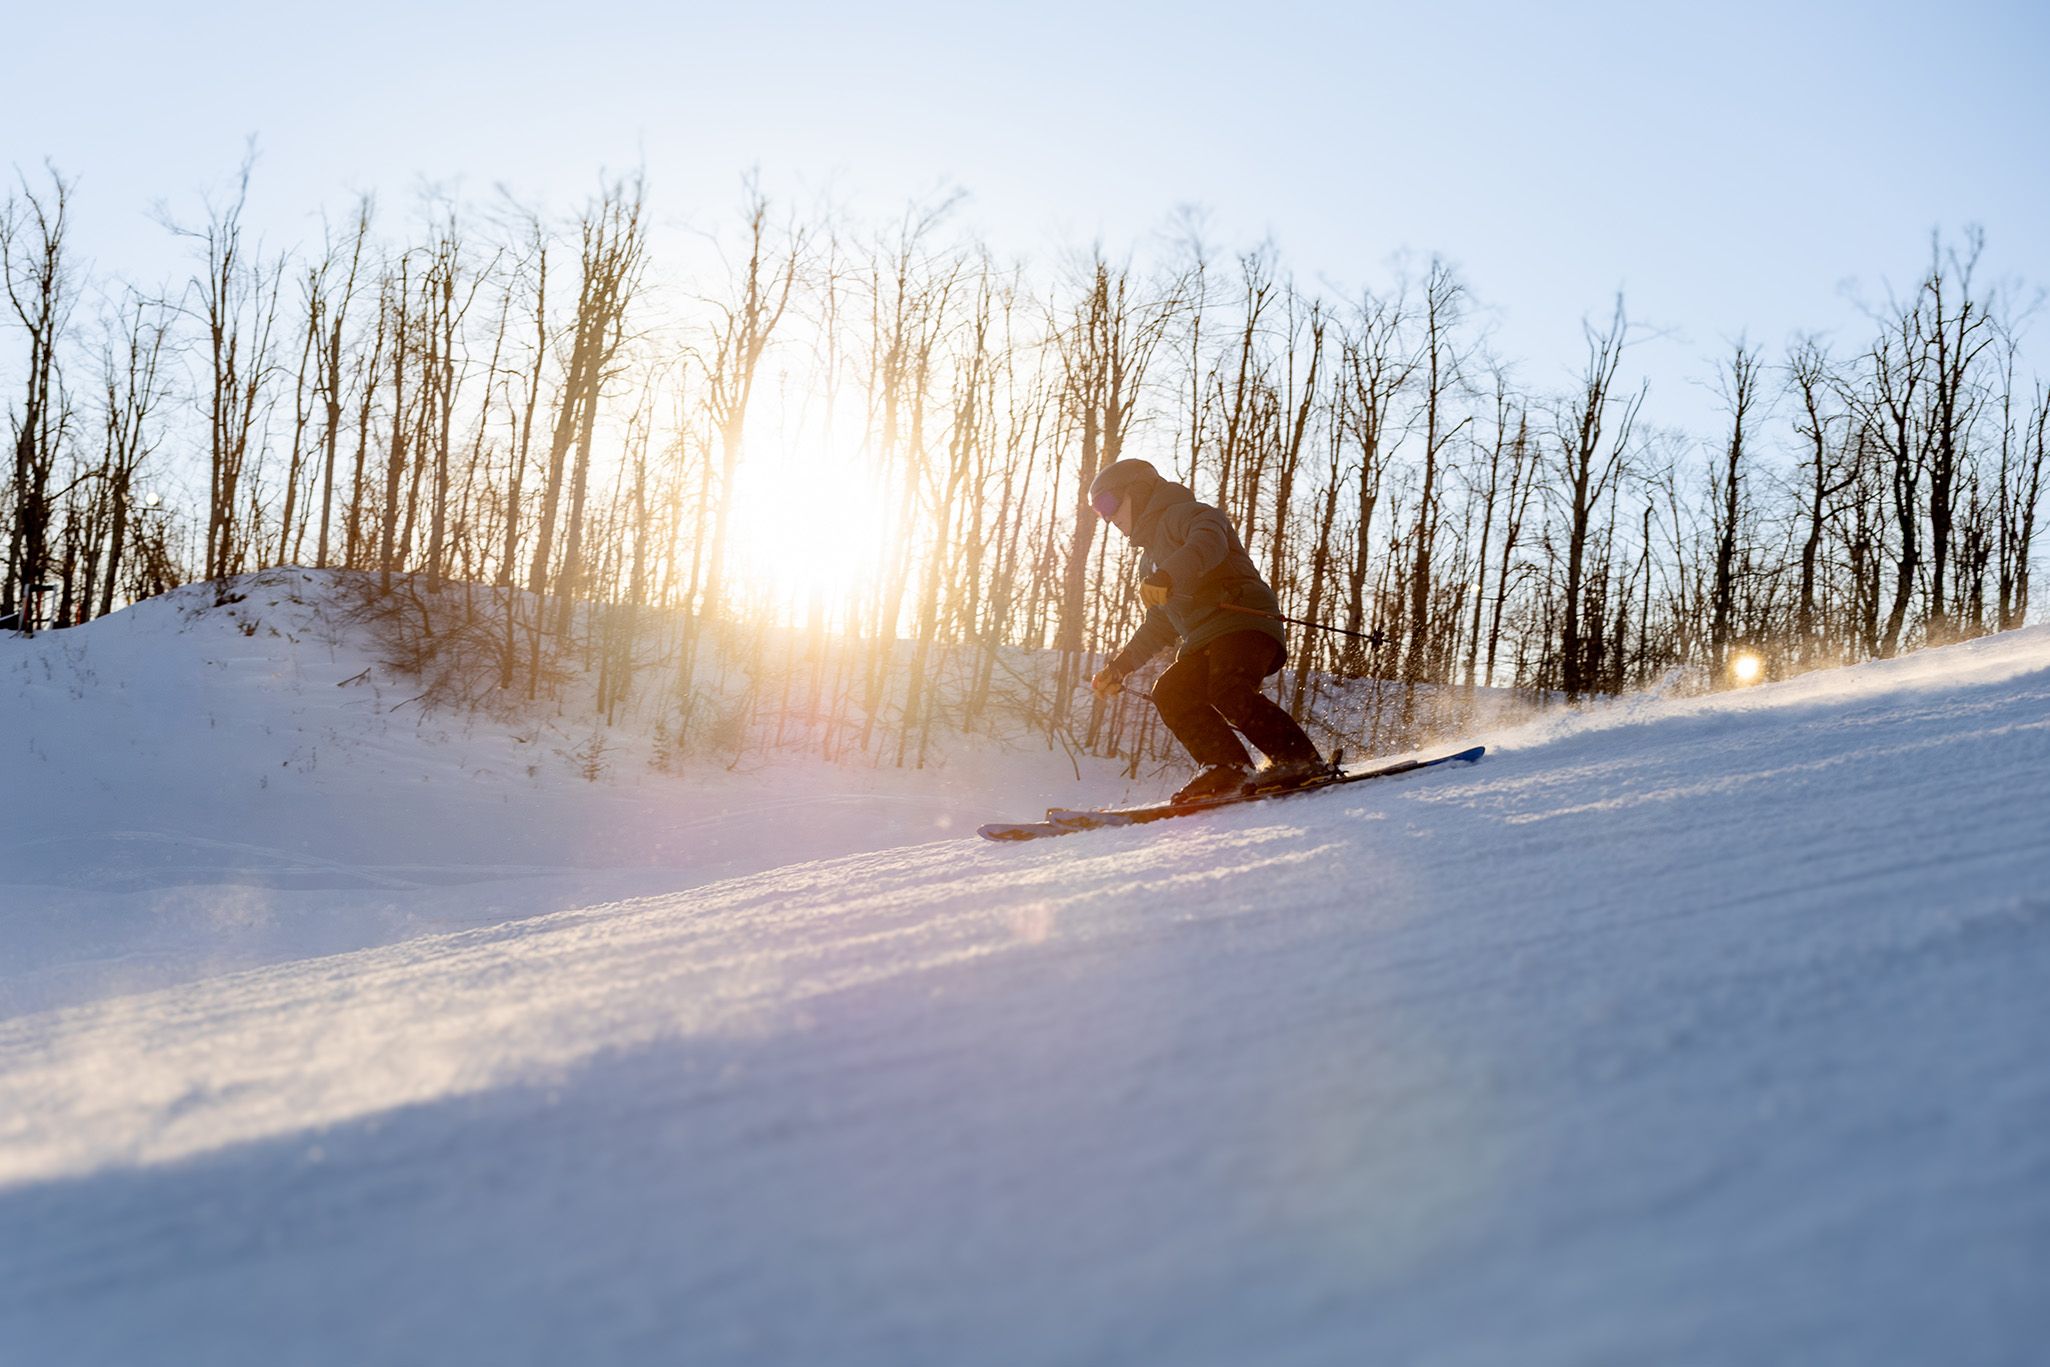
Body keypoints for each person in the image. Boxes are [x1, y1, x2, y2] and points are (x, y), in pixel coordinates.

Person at [1086, 457, 1327, 804]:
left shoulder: (1189, 514)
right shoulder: (1148, 561)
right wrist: (1120, 666)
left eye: (1108, 503)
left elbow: (1207, 545)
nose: (1108, 517)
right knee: (1171, 691)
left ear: (1137, 491)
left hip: (1245, 623)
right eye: (1098, 511)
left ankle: (1299, 759)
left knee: (1227, 686)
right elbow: (1161, 622)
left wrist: (1169, 574)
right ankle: (1227, 767)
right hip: (1204, 640)